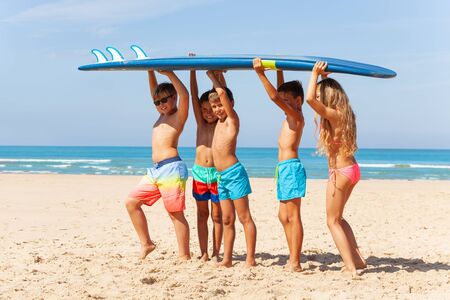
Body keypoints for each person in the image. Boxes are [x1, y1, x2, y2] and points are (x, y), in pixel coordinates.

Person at [305, 61, 366, 276]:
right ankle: (357, 260)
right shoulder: (344, 114)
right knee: (339, 218)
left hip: (340, 173)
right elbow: (320, 97)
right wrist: (323, 78)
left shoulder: (333, 115)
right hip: (352, 169)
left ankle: (350, 266)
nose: (319, 100)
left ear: (329, 99)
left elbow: (310, 99)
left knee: (331, 221)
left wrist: (313, 74)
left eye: (324, 97)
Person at [125, 70, 191, 260]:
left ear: (174, 98)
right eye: (157, 102)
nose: (161, 105)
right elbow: (154, 91)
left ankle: (184, 255)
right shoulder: (161, 116)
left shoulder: (178, 116)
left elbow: (185, 95)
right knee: (131, 202)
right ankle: (147, 243)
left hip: (171, 168)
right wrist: (150, 70)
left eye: (165, 100)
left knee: (175, 213)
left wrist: (170, 73)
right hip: (156, 170)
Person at [253, 58, 306, 272]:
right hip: (283, 169)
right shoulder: (289, 114)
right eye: (283, 101)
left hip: (291, 168)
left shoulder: (297, 116)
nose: (282, 103)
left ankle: (296, 261)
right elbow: (280, 94)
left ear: (298, 101)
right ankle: (292, 255)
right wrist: (278, 69)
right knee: (283, 216)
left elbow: (275, 96)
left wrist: (260, 73)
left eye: (287, 100)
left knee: (293, 215)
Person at [206, 70, 257, 268]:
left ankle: (250, 258)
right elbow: (221, 93)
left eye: (220, 105)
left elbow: (224, 95)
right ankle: (227, 259)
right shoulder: (219, 121)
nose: (218, 109)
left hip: (234, 173)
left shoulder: (232, 120)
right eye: (214, 106)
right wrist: (218, 75)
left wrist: (212, 75)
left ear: (230, 104)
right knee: (227, 219)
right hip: (221, 177)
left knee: (244, 217)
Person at [190, 67, 225, 262]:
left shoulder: (221, 123)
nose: (207, 113)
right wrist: (193, 70)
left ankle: (216, 252)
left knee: (217, 216)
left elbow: (221, 98)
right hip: (199, 174)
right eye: (203, 110)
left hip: (217, 174)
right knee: (202, 214)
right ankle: (204, 252)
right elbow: (194, 96)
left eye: (210, 108)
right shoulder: (200, 124)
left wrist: (217, 76)